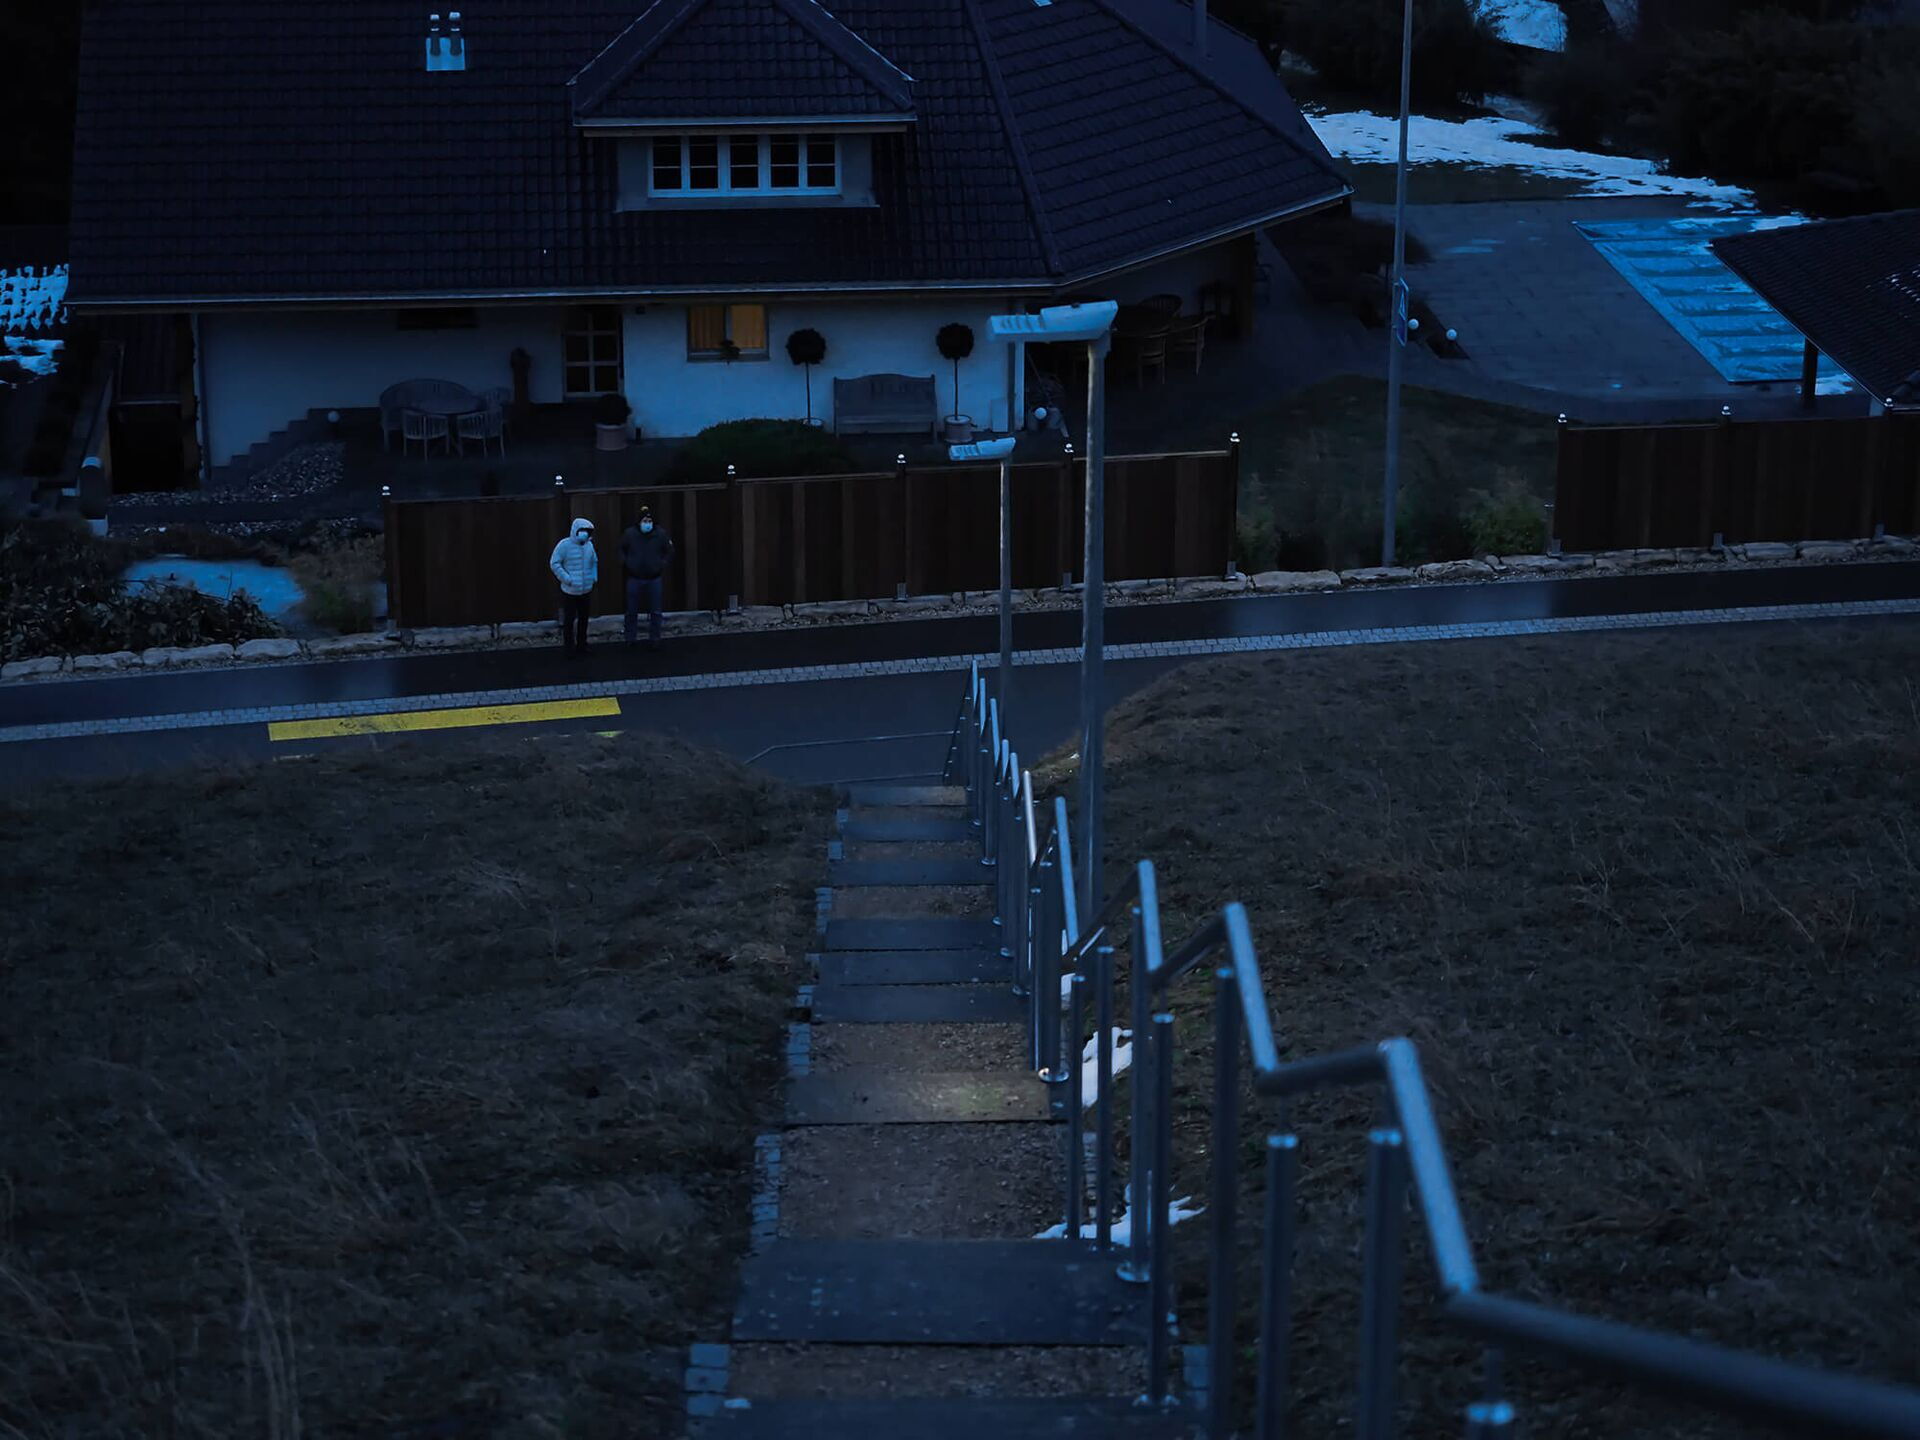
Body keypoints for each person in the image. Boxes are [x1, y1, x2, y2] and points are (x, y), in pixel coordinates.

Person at [620, 506, 676, 649]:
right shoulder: (629, 534)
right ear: (639, 522)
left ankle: (655, 638)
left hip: (654, 577)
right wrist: (627, 563)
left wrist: (662, 564)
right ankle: (630, 638)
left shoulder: (660, 534)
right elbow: (621, 549)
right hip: (634, 577)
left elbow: (669, 551)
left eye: (649, 520)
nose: (647, 523)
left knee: (656, 611)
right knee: (631, 611)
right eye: (645, 520)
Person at [549, 517, 598, 655]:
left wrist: (594, 577)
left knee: (584, 619)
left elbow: (594, 561)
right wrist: (566, 579)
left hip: (586, 589)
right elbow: (554, 563)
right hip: (570, 590)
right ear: (575, 530)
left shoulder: (589, 545)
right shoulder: (564, 545)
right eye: (582, 531)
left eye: (587, 531)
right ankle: (569, 648)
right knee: (569, 621)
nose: (585, 534)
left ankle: (582, 645)